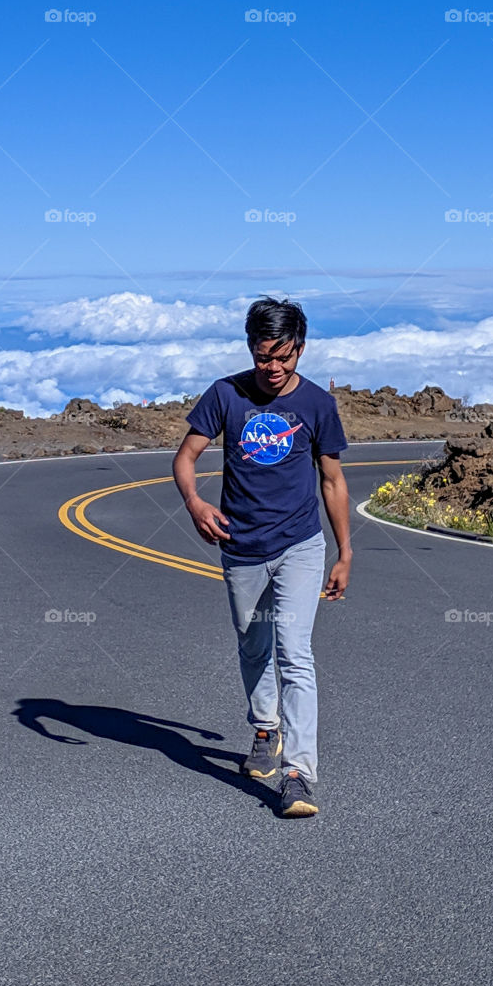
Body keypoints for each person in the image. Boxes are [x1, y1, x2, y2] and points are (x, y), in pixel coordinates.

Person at [172, 295, 352, 817]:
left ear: (302, 348)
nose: (273, 368)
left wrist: (345, 552)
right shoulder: (225, 394)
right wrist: (194, 502)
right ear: (250, 348)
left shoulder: (317, 403)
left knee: (295, 653)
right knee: (254, 647)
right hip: (241, 546)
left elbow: (333, 481)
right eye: (263, 356)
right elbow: (185, 457)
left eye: (284, 357)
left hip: (300, 543)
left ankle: (298, 775)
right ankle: (265, 730)